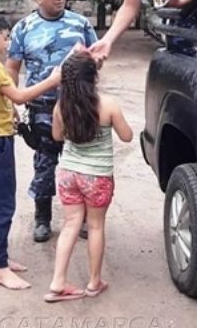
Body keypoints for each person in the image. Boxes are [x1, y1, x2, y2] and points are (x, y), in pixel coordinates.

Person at [5, 0, 98, 243]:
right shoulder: (24, 28)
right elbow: (12, 68)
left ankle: (80, 217)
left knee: (81, 161)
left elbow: (98, 58)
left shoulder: (80, 23)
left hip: (78, 105)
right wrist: (13, 103)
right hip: (42, 106)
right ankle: (42, 217)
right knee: (45, 161)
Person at [0, 12, 61, 290]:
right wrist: (53, 79)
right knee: (3, 206)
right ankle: (0, 268)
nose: (9, 42)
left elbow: (2, 98)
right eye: (6, 36)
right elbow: (20, 96)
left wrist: (11, 114)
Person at [43, 52, 133, 302]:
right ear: (94, 76)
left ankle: (57, 281)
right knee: (95, 226)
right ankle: (94, 282)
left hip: (68, 174)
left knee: (70, 224)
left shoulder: (61, 106)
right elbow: (127, 137)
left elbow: (57, 137)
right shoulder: (108, 105)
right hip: (96, 177)